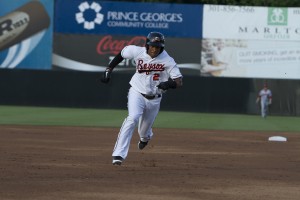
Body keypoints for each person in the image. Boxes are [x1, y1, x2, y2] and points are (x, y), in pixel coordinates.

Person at [100, 32, 183, 165]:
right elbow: (121, 54)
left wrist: (168, 84)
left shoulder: (167, 60)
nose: (155, 49)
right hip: (136, 92)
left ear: (162, 47)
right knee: (132, 118)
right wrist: (108, 70)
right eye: (152, 46)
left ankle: (145, 138)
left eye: (158, 47)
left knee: (143, 131)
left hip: (155, 98)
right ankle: (118, 155)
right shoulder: (137, 51)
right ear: (147, 45)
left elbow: (179, 81)